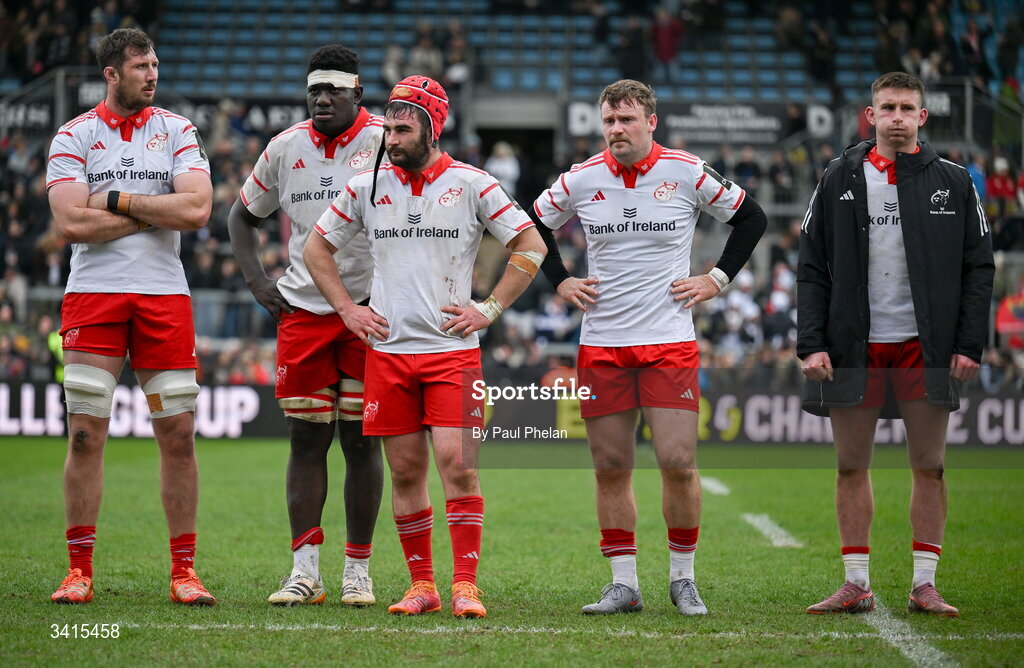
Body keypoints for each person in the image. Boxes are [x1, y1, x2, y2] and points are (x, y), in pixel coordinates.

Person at [304, 76, 546, 619]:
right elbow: (316, 246)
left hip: (452, 353)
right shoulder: (365, 185)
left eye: (403, 127)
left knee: (458, 466)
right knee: (407, 472)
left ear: (433, 126)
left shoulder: (472, 184)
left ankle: (465, 585)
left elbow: (530, 244)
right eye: (387, 127)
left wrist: (489, 309)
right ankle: (422, 586)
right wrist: (348, 308)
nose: (391, 137)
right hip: (388, 354)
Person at [532, 79, 767, 615]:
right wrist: (561, 281)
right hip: (603, 344)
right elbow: (529, 225)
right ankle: (624, 583)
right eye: (609, 121)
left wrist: (718, 278)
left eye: (627, 120)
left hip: (668, 342)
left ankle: (683, 578)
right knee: (610, 466)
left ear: (650, 122)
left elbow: (752, 218)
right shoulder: (580, 179)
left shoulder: (685, 170)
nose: (616, 129)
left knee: (678, 462)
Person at [799, 72, 993, 616]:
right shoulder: (838, 176)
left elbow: (979, 266)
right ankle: (855, 581)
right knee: (849, 464)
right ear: (872, 115)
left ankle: (924, 584)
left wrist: (970, 344)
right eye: (889, 107)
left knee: (929, 466)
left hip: (923, 345)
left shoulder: (953, 181)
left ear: (923, 118)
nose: (898, 117)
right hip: (852, 345)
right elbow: (811, 265)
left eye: (908, 107)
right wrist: (811, 342)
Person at [45, 28, 215, 605]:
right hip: (94, 295)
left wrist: (114, 200)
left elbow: (196, 208)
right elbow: (70, 224)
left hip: (164, 297)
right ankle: (78, 571)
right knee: (87, 434)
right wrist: (156, 211)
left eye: (156, 64)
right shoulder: (74, 135)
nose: (153, 74)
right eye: (142, 65)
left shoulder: (178, 129)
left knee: (179, 434)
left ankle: (184, 572)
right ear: (111, 74)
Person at [226, 44, 385, 607]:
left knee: (362, 441)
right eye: (315, 89)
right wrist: (259, 285)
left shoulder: (386, 142)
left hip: (369, 312)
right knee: (305, 438)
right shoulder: (285, 147)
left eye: (334, 90)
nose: (322, 98)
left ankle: (358, 572)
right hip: (303, 313)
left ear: (357, 94)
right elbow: (242, 216)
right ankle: (305, 570)